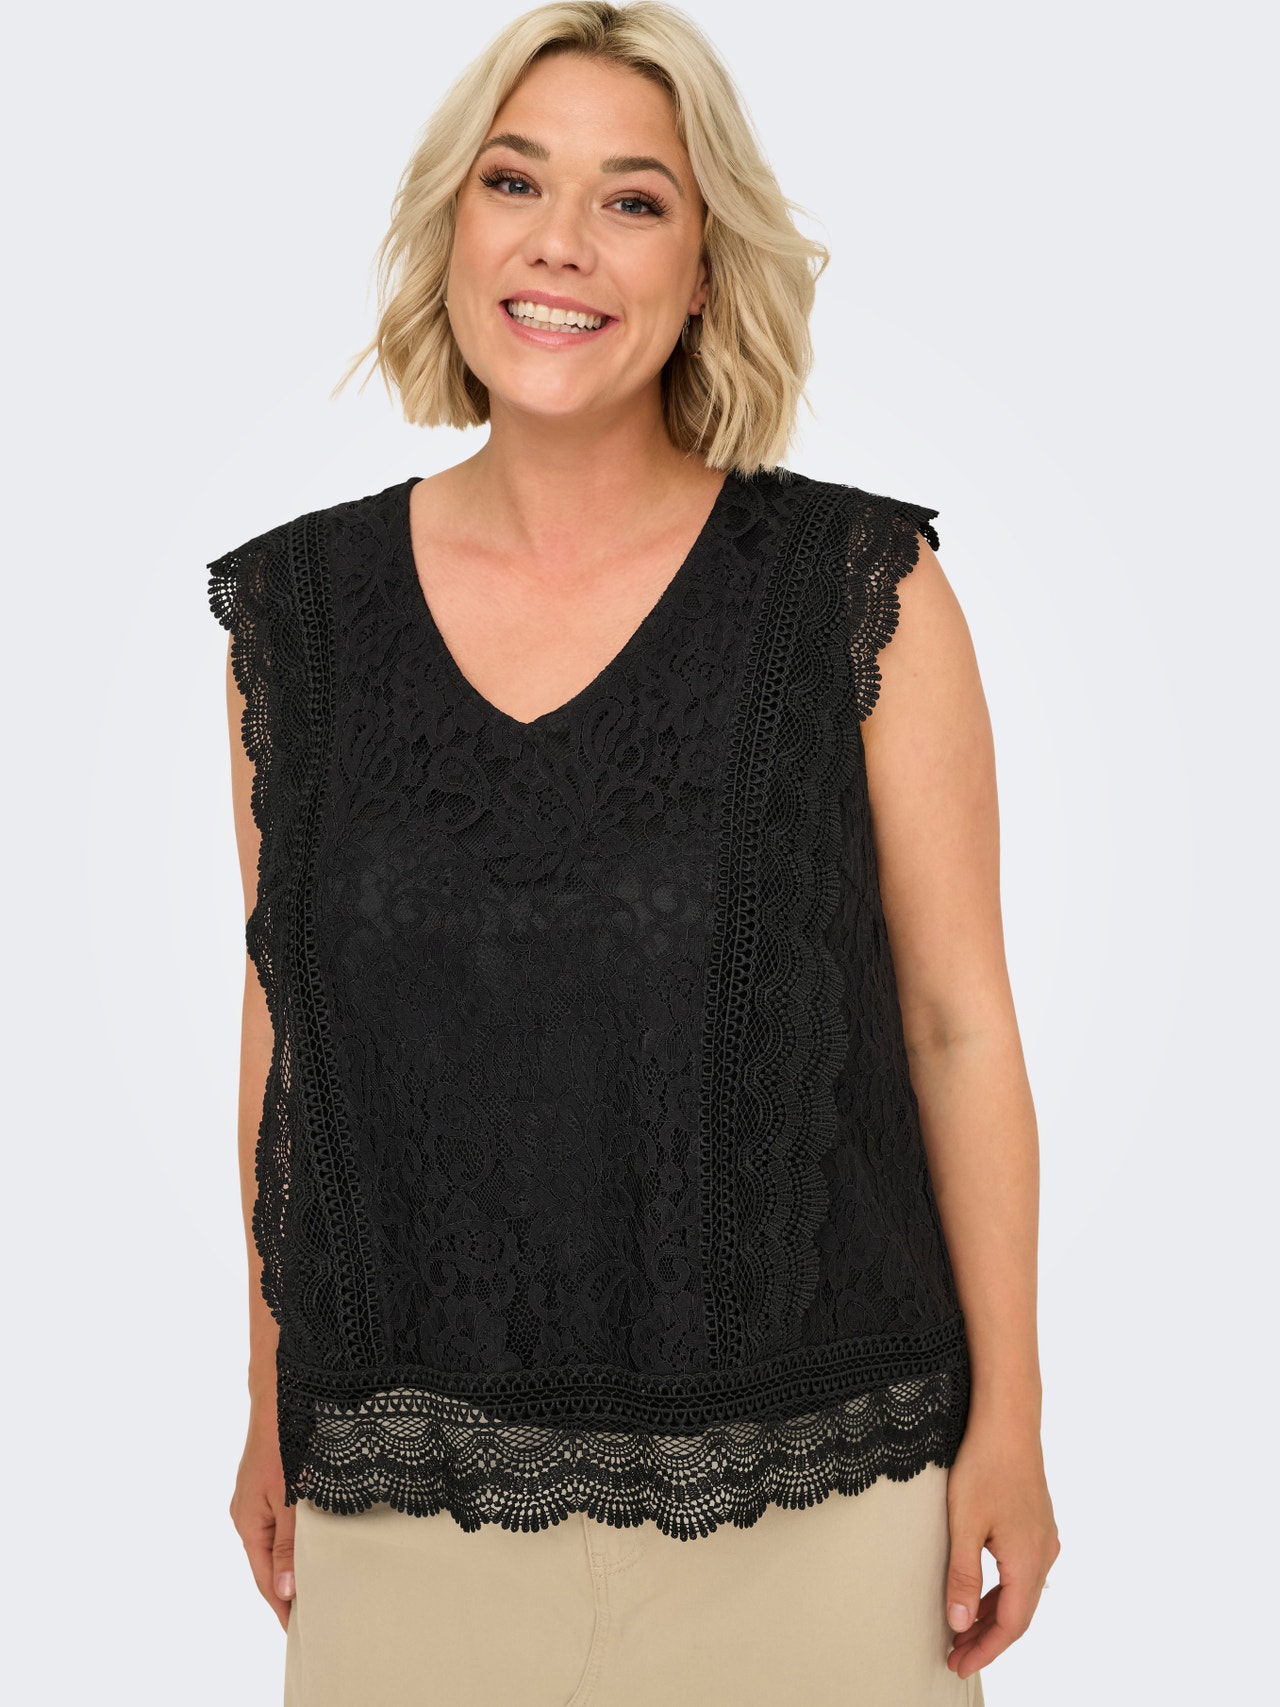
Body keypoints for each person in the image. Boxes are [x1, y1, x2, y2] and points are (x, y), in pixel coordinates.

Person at [209, 4, 1060, 1703]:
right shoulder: (297, 618)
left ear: (704, 270)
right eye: (515, 181)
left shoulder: (858, 592)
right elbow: (293, 1031)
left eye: (634, 199)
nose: (561, 243)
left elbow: (957, 1023)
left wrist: (1016, 1424)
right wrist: (266, 1397)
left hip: (821, 1515)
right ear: (453, 225)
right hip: (406, 1503)